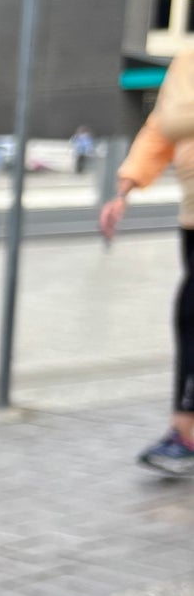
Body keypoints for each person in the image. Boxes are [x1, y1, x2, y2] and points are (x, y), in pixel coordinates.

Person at [101, 47, 194, 474]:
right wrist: (125, 189)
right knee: (189, 319)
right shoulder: (188, 59)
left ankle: (186, 432)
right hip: (192, 218)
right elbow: (161, 128)